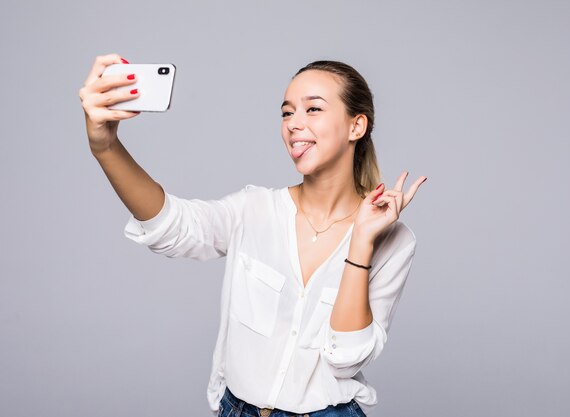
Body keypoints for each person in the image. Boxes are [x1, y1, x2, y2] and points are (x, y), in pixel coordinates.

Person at [79, 54, 427, 416]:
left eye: (313, 109)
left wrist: (361, 242)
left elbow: (346, 359)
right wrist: (105, 147)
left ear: (356, 126)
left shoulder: (394, 241)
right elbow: (171, 227)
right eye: (287, 112)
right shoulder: (254, 209)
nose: (293, 124)